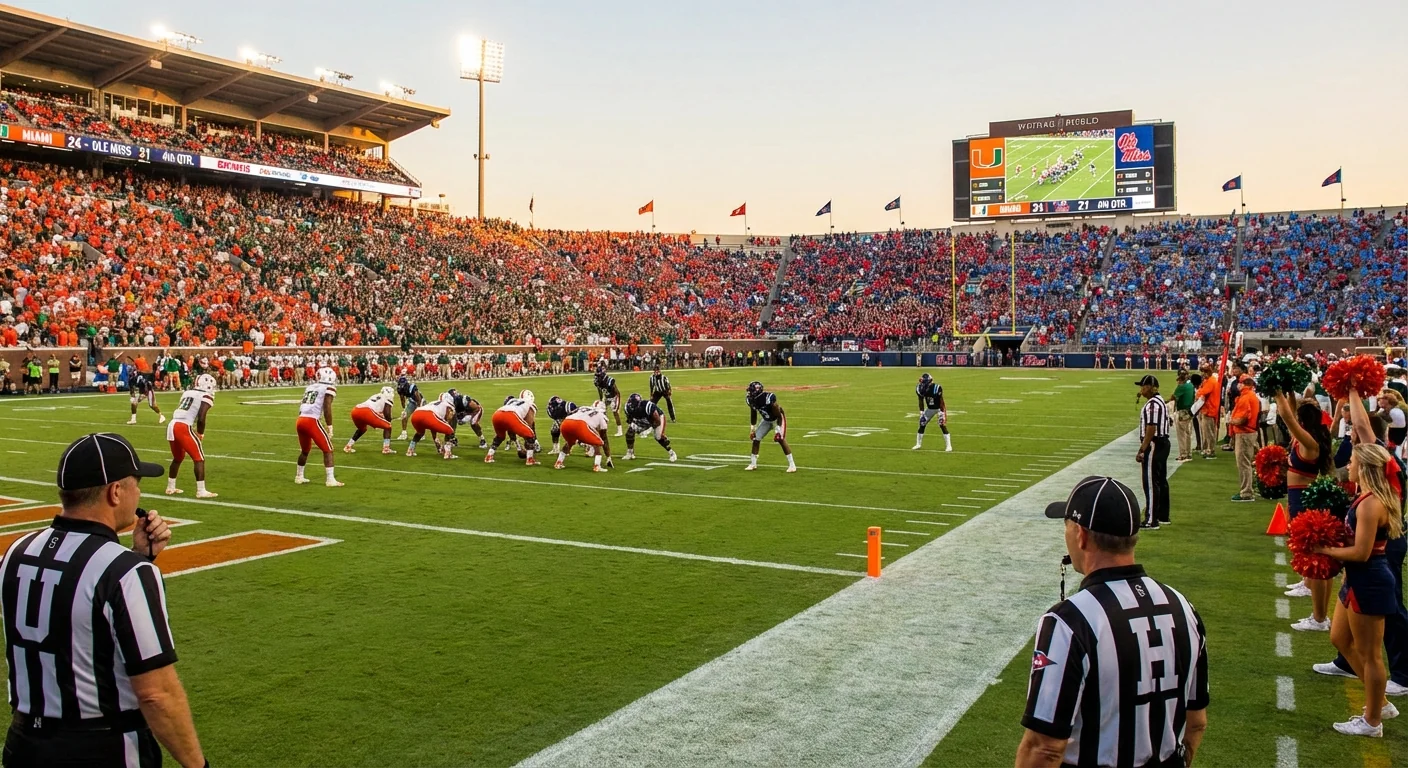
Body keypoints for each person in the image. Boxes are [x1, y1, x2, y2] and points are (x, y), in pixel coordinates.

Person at [1, 433, 206, 767]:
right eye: (136, 483)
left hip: (24, 744)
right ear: (115, 492)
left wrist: (138, 556)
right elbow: (156, 694)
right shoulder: (125, 572)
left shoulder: (17, 550)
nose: (139, 492)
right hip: (102, 748)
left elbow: (70, 609)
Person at [1021, 476, 1208, 767]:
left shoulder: (1069, 621)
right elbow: (1196, 722)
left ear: (1081, 535)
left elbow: (1045, 748)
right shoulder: (1183, 607)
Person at [1316, 443, 1405, 736]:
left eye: (1353, 462)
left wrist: (1324, 550)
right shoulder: (1365, 496)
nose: (1348, 466)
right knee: (1340, 638)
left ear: (1364, 467)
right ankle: (1379, 702)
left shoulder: (1370, 504)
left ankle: (1372, 721)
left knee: (1370, 655)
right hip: (1357, 579)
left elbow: (1362, 553)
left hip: (1370, 580)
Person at [1276, 391, 1335, 630]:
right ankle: (1307, 583)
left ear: (1303, 422)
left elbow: (1287, 418)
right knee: (1306, 551)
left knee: (1312, 554)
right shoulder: (1307, 438)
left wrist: (1277, 393)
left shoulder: (1309, 443)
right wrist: (1289, 393)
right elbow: (1291, 415)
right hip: (1297, 497)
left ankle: (1319, 617)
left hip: (1304, 499)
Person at [166, 373, 219, 499]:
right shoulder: (206, 396)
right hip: (183, 427)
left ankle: (170, 487)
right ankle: (201, 491)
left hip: (172, 424)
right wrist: (200, 433)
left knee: (178, 458)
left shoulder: (187, 393)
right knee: (199, 458)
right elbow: (201, 417)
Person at [295, 367, 343, 486]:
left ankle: (299, 476)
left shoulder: (310, 387)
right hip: (311, 420)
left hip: (300, 419)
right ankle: (330, 480)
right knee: (328, 449)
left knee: (305, 450)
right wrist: (330, 425)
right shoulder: (329, 388)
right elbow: (327, 407)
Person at [1134, 375, 1171, 528]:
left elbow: (1151, 428)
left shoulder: (1152, 405)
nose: (1141, 389)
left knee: (1150, 482)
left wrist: (1143, 448)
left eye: (1143, 386)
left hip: (1155, 444)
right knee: (1161, 480)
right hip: (1162, 443)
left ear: (1150, 387)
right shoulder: (1160, 401)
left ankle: (1151, 519)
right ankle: (1163, 515)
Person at [745, 381, 796, 473]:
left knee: (780, 439)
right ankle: (753, 464)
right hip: (767, 420)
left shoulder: (768, 398)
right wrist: (753, 428)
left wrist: (778, 428)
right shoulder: (750, 400)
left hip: (777, 418)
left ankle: (792, 465)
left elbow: (778, 414)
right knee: (756, 438)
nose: (749, 393)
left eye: (751, 391)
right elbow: (753, 413)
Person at [1228, 375, 1261, 502]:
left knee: (1243, 463)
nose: (1238, 385)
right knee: (1249, 462)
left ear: (1243, 384)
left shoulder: (1246, 397)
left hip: (1244, 433)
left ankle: (1246, 492)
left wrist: (1232, 421)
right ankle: (1251, 488)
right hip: (1250, 432)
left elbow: (1244, 418)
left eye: (1240, 383)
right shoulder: (1251, 396)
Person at [622, 393, 677, 462]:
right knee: (629, 433)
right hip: (642, 419)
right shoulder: (627, 408)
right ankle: (630, 453)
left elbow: (657, 422)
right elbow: (630, 420)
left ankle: (672, 453)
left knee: (658, 436)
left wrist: (648, 429)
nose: (632, 407)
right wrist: (636, 428)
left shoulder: (647, 406)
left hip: (657, 418)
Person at [913, 372, 951, 452]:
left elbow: (941, 402)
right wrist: (921, 412)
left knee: (942, 425)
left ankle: (949, 446)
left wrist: (942, 412)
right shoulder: (920, 388)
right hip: (930, 408)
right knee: (922, 423)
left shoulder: (937, 388)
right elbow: (920, 400)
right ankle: (918, 444)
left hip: (938, 408)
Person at [1195, 363, 1221, 459]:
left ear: (1209, 372)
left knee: (1209, 432)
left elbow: (1202, 392)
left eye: (1205, 372)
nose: (1203, 374)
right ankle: (1207, 449)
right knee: (1206, 432)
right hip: (1208, 409)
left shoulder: (1211, 381)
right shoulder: (1209, 381)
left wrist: (1198, 392)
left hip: (1209, 410)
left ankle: (1211, 450)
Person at [1171, 370, 1196, 462]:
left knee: (1181, 434)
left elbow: (1173, 397)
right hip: (1189, 411)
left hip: (1182, 411)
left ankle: (1183, 454)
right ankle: (1188, 453)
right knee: (1188, 433)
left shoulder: (1181, 387)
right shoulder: (1191, 386)